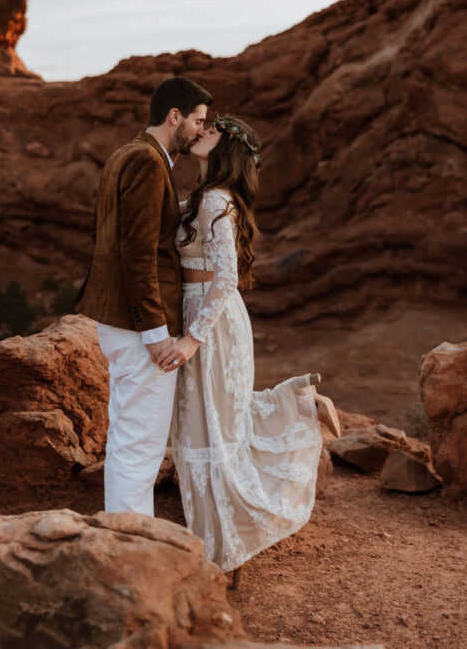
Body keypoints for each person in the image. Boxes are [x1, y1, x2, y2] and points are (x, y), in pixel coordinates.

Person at [157, 114, 339, 582]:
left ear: (225, 151)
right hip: (201, 313)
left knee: (213, 432)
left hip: (213, 323)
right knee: (207, 429)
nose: (200, 133)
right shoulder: (201, 196)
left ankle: (223, 550)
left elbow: (224, 278)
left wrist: (193, 338)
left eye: (210, 132)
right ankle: (222, 546)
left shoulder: (217, 199)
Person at [76, 76, 212, 516]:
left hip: (119, 321)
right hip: (140, 330)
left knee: (128, 440)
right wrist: (156, 332)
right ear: (175, 116)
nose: (198, 131)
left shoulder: (124, 155)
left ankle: (123, 537)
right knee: (141, 447)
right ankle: (131, 550)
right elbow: (139, 255)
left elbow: (107, 238)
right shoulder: (149, 163)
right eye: (197, 121)